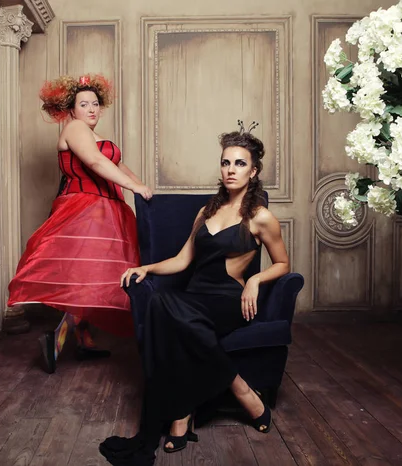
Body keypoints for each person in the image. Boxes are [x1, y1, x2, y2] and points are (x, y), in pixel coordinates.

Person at [99, 122, 290, 465]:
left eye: (240, 163)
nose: (231, 170)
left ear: (254, 170)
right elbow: (183, 260)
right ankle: (222, 395)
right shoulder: (207, 211)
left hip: (227, 300)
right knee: (162, 305)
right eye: (226, 162)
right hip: (194, 296)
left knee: (170, 313)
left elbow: (283, 264)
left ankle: (191, 412)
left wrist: (255, 281)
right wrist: (147, 268)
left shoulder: (261, 217)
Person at [7, 74, 152, 374]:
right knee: (87, 277)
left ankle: (83, 339)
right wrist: (134, 188)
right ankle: (57, 339)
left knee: (97, 277)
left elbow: (116, 164)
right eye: (84, 104)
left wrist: (143, 188)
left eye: (95, 104)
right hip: (85, 209)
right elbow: (97, 164)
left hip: (108, 210)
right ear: (71, 110)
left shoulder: (94, 135)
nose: (91, 109)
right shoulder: (74, 128)